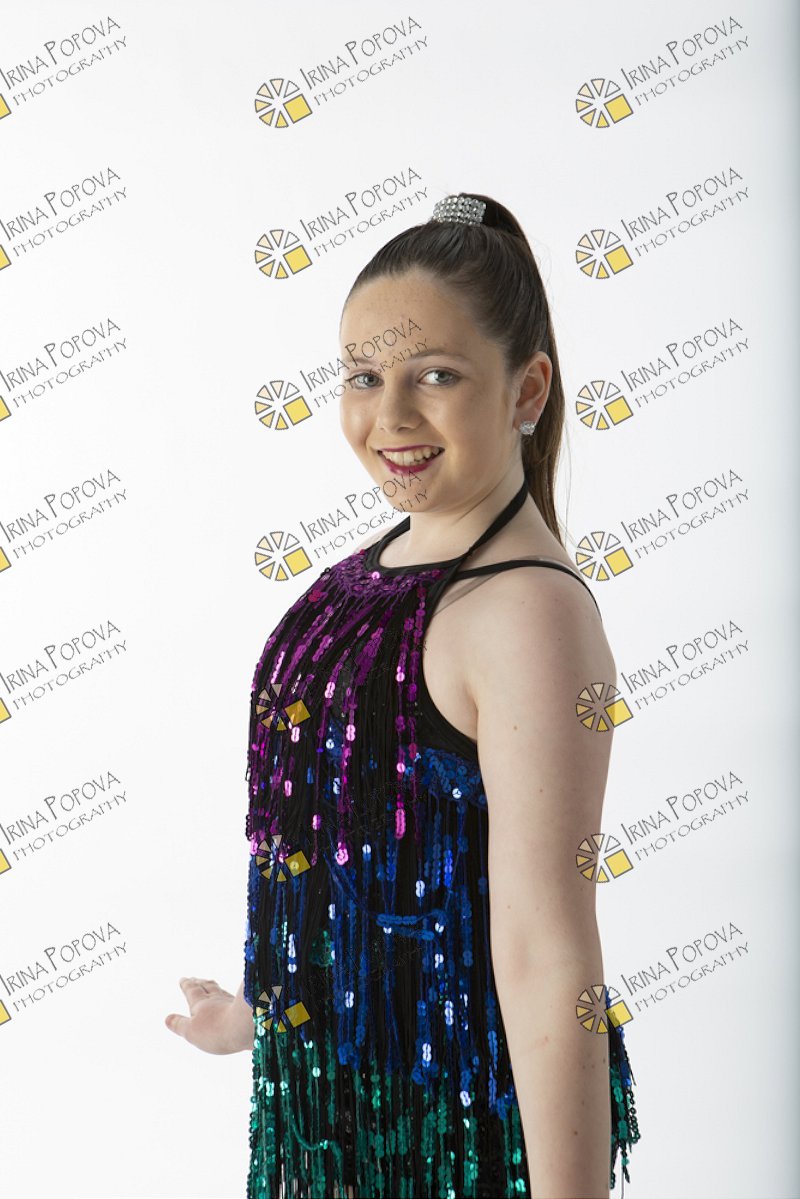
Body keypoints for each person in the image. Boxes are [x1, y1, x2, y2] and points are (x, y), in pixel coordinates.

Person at [165, 192, 641, 1199]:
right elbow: (350, 848)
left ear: (526, 389)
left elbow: (547, 953)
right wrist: (264, 1008)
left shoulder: (525, 614)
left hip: (453, 1141)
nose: (389, 417)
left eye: (435, 374)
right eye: (363, 376)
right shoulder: (375, 566)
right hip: (337, 1126)